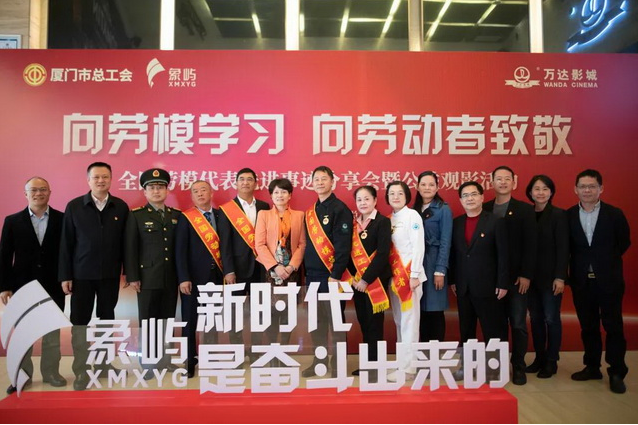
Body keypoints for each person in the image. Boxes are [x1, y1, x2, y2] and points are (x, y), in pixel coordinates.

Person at [59, 162, 129, 391]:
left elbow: (126, 243)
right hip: (81, 275)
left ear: (111, 179)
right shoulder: (75, 206)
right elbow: (66, 243)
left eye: (105, 177)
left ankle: (103, 364)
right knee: (80, 322)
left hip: (109, 275)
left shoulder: (120, 207)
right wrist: (65, 275)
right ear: (88, 180)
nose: (101, 181)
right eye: (96, 177)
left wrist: (128, 272)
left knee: (106, 319)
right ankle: (81, 370)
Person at [0, 177, 66, 394]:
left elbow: (68, 253)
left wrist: (67, 278)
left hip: (53, 284)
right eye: (34, 190)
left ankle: (51, 373)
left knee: (51, 333)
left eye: (43, 189)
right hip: (23, 286)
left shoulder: (62, 219)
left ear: (50, 192)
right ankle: (23, 375)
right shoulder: (12, 221)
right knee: (23, 334)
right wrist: (4, 286)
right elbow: (4, 256)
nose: (39, 193)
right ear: (25, 193)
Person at [567, 169, 630, 394]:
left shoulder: (614, 214)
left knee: (613, 326)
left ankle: (617, 371)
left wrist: (604, 262)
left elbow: (624, 243)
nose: (587, 190)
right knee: (588, 326)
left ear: (601, 188)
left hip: (609, 280)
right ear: (575, 189)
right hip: (582, 281)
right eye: (582, 186)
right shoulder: (568, 215)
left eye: (592, 186)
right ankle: (592, 367)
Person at [483, 165, 537, 385]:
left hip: (516, 279)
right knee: (495, 325)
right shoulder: (484, 208)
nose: (503, 182)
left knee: (517, 323)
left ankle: (519, 366)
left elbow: (531, 245)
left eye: (507, 179)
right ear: (492, 182)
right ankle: (497, 366)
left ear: (514, 182)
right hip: (491, 278)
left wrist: (526, 274)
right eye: (499, 179)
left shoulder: (525, 210)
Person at [124, 168, 181, 375]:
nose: (156, 191)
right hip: (147, 278)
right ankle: (148, 364)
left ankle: (166, 360)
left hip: (170, 277)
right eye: (152, 188)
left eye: (160, 187)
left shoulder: (176, 216)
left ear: (167, 190)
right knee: (148, 322)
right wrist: (133, 276)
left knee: (167, 320)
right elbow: (130, 248)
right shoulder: (136, 216)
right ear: (145, 192)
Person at [450, 181, 508, 379]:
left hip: (489, 286)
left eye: (474, 194)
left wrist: (502, 283)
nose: (470, 199)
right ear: (460, 200)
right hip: (463, 286)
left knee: (493, 329)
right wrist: (453, 280)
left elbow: (503, 255)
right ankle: (466, 366)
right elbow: (454, 255)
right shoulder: (457, 223)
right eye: (465, 195)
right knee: (466, 330)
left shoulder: (496, 221)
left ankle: (495, 369)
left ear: (482, 197)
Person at [303, 165, 353, 378]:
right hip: (312, 276)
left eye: (324, 179)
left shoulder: (340, 209)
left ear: (332, 182)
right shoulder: (311, 211)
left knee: (335, 322)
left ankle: (338, 364)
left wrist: (335, 275)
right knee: (317, 322)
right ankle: (319, 361)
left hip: (332, 276)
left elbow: (343, 246)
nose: (320, 182)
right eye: (316, 179)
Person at [218, 168, 270, 356]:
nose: (245, 182)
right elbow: (224, 243)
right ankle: (237, 352)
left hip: (260, 268)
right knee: (235, 313)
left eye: (249, 179)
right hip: (236, 270)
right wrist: (228, 270)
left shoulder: (264, 206)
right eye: (242, 179)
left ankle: (256, 351)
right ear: (236, 183)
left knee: (259, 311)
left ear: (256, 183)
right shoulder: (227, 209)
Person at [175, 180, 223, 378]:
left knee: (213, 320)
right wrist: (183, 278)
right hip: (192, 279)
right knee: (190, 321)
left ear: (211, 193)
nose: (200, 194)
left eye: (203, 190)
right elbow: (180, 251)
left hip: (217, 277)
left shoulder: (220, 215)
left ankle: (210, 358)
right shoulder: (186, 218)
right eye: (196, 191)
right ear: (192, 196)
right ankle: (189, 360)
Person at [524, 175, 568, 379]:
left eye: (545, 189)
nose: (540, 193)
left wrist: (560, 277)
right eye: (536, 189)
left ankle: (552, 361)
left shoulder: (559, 215)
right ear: (530, 192)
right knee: (536, 319)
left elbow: (563, 249)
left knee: (551, 318)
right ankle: (539, 358)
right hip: (530, 278)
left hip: (551, 278)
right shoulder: (526, 214)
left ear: (551, 192)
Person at [255, 178, 306, 350]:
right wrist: (275, 267)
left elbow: (302, 244)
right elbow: (259, 244)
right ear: (271, 195)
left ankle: (284, 351)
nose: (280, 195)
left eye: (284, 192)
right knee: (270, 313)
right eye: (276, 192)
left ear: (290, 195)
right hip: (270, 272)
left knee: (288, 314)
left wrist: (291, 267)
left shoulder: (299, 215)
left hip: (291, 272)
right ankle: (272, 351)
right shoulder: (263, 215)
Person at [347, 186, 391, 377]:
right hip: (357, 284)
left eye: (366, 199)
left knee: (375, 325)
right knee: (364, 322)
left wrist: (366, 280)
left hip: (375, 282)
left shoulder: (382, 222)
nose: (363, 203)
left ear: (375, 200)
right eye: (359, 199)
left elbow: (382, 254)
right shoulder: (354, 224)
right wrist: (353, 278)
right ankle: (368, 364)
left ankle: (376, 367)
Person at [386, 181, 425, 381]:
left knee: (410, 321)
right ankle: (403, 362)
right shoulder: (389, 219)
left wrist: (415, 274)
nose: (395, 197)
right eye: (391, 193)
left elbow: (418, 246)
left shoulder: (412, 216)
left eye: (400, 193)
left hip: (410, 278)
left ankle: (409, 368)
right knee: (399, 321)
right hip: (394, 279)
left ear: (407, 196)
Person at [413, 171, 452, 342]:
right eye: (423, 184)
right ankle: (421, 352)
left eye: (431, 185)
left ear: (437, 187)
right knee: (418, 310)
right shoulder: (413, 211)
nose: (427, 188)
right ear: (417, 187)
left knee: (434, 310)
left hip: (434, 263)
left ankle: (435, 352)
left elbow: (446, 241)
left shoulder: (443, 209)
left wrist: (440, 270)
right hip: (416, 265)